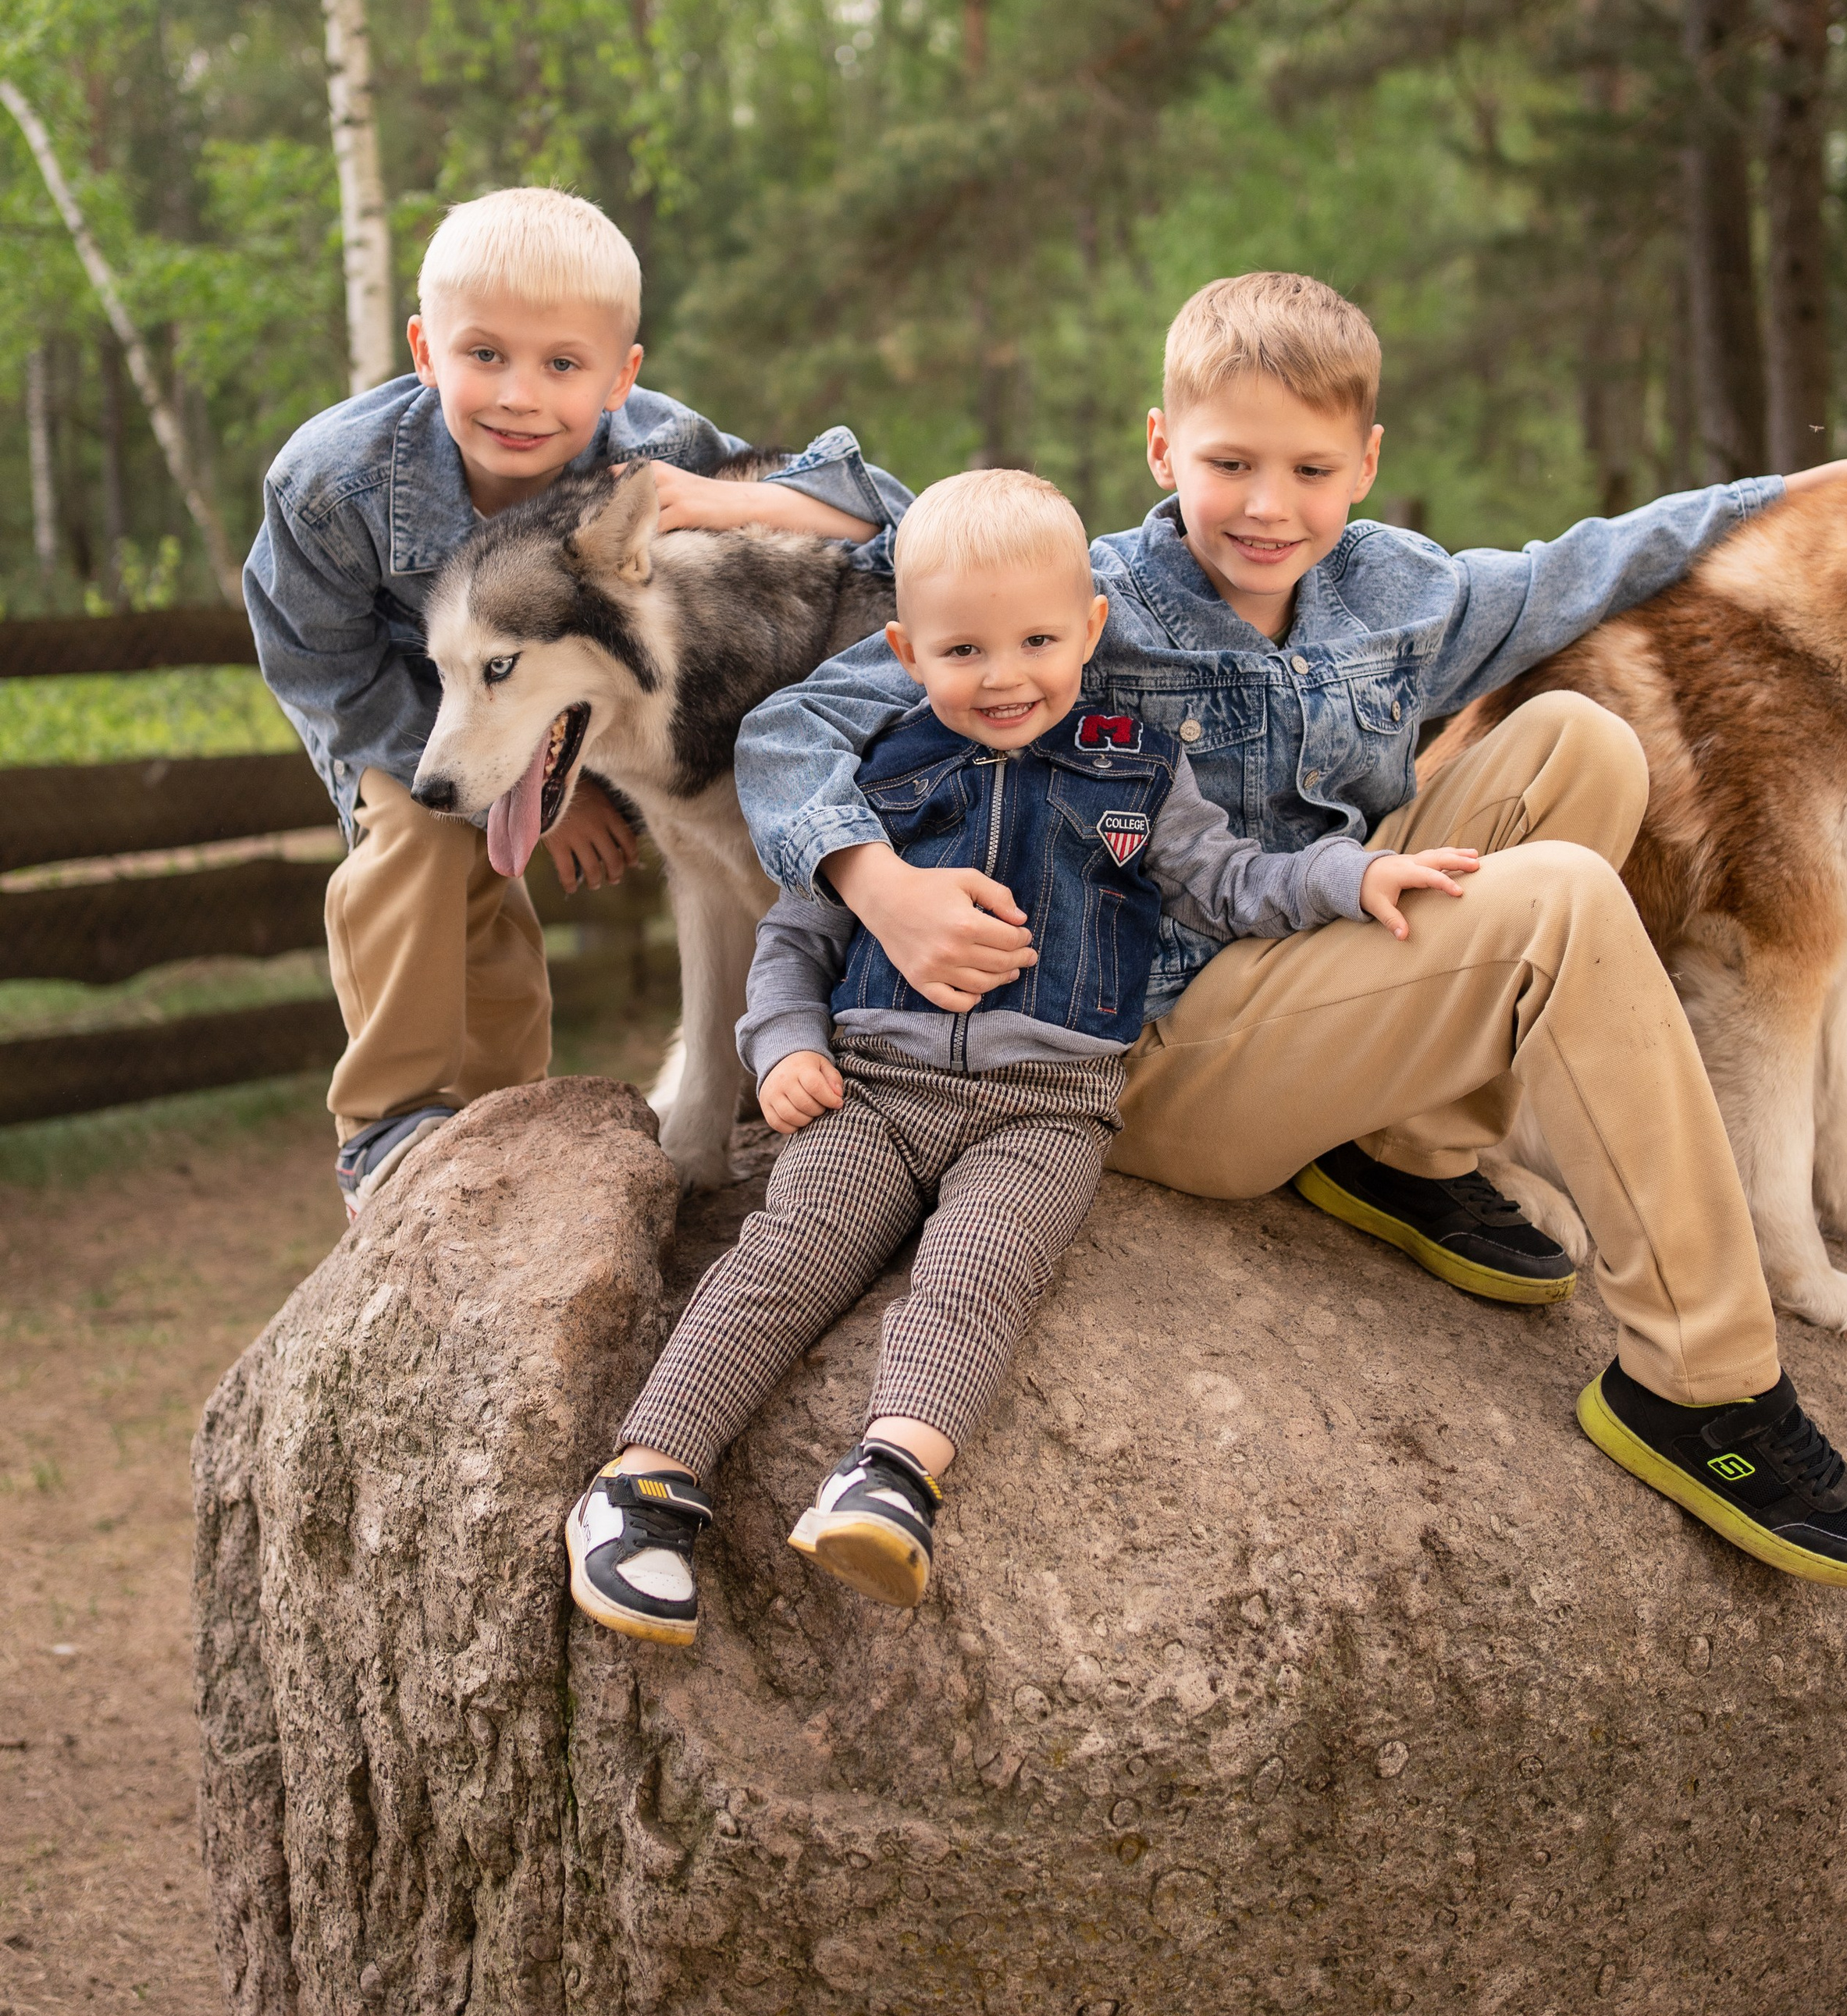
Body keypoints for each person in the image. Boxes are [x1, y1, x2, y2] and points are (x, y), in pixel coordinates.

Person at [725, 272, 1847, 1588]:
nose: (1265, 505)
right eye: (1228, 462)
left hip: (1319, 972)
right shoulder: (1073, 603)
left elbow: (1594, 558)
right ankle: (1702, 1385)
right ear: (1162, 448)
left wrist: (1801, 492)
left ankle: (1402, 1151)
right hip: (1149, 1048)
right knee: (1562, 902)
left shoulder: (1399, 594)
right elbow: (793, 730)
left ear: (1365, 463)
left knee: (1582, 742)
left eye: (1308, 466)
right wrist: (874, 883)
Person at [566, 465, 1450, 1644]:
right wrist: (781, 1048)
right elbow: (795, 935)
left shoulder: (1137, 769)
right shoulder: (881, 772)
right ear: (905, 648)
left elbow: (1237, 881)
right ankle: (645, 1481)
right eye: (964, 650)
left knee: (984, 1271)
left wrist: (1354, 874)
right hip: (873, 1090)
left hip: (1045, 1111)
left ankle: (892, 1475)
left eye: (1038, 640)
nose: (1004, 676)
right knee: (790, 1252)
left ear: (1091, 628)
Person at [243, 185, 906, 1218]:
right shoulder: (332, 484)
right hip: (404, 707)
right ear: (424, 351)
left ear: (619, 377)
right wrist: (560, 786)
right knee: (425, 836)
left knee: (530, 889)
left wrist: (731, 501)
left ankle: (506, 1114)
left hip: (567, 705)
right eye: (484, 356)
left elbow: (882, 512)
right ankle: (391, 1126)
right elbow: (320, 672)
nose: (519, 395)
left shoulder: (663, 446)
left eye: (561, 365)